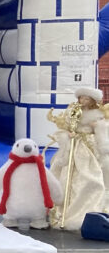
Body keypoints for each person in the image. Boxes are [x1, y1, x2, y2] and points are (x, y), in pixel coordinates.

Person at [47, 87, 109, 228]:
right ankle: (62, 208)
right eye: (81, 98)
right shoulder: (73, 111)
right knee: (65, 171)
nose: (83, 101)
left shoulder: (98, 114)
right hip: (74, 145)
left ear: (92, 101)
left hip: (88, 147)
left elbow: (103, 130)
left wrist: (97, 126)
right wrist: (69, 133)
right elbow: (67, 127)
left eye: (86, 99)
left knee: (90, 175)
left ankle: (87, 207)